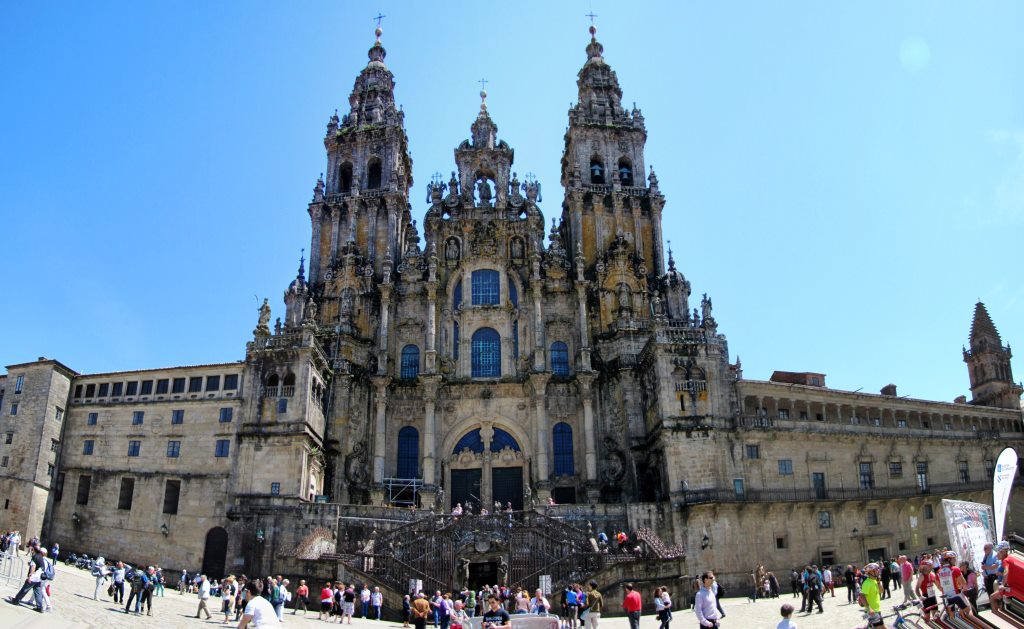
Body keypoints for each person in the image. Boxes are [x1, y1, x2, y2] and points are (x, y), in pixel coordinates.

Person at [5, 544, 46, 612]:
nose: (31, 551)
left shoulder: (35, 556)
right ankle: (39, 607)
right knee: (38, 591)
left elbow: (33, 567)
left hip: (34, 576)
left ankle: (16, 600)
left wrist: (30, 576)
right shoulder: (40, 557)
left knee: (25, 588)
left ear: (34, 550)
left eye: (32, 550)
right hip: (39, 577)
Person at [936, 550, 972, 620]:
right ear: (949, 559)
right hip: (957, 595)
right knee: (968, 609)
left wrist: (945, 591)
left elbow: (938, 586)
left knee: (952, 617)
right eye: (954, 558)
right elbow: (963, 584)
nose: (955, 560)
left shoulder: (939, 571)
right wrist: (967, 589)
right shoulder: (955, 569)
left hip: (947, 597)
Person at [989, 541, 1013, 613]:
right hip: (1003, 586)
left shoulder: (1006, 560)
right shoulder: (1003, 560)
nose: (996, 554)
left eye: (998, 552)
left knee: (992, 597)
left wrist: (1003, 584)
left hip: (1005, 587)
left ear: (1002, 552)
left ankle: (996, 615)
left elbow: (1007, 571)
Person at [857, 563, 883, 628]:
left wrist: (879, 582)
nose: (878, 571)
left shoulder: (874, 581)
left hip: (876, 610)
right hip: (872, 611)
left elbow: (881, 591)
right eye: (876, 570)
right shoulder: (867, 583)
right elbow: (862, 596)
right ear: (870, 571)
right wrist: (869, 608)